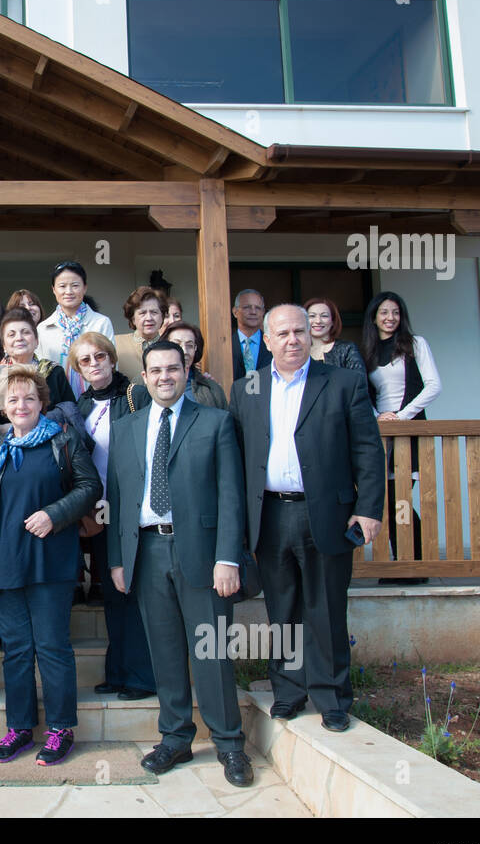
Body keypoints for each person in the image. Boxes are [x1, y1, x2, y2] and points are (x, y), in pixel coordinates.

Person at [230, 305, 385, 732]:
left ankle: (331, 697)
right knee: (282, 610)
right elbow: (238, 457)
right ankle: (289, 691)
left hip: (327, 514)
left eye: (300, 331)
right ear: (267, 338)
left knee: (326, 608)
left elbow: (368, 450)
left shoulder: (343, 383)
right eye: (283, 333)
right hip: (270, 515)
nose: (293, 339)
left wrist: (369, 508)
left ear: (311, 336)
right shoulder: (247, 388)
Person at [106, 341, 253, 785]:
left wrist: (228, 558)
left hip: (204, 556)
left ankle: (229, 744)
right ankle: (175, 739)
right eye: (155, 370)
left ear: (187, 371)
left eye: (173, 368)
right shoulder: (126, 428)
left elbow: (232, 496)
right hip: (146, 553)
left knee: (211, 653)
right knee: (164, 653)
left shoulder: (216, 423)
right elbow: (116, 498)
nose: (165, 376)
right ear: (144, 377)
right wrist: (117, 560)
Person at [0, 365, 101, 766]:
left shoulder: (63, 441)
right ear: (3, 407)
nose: (21, 404)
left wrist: (54, 515)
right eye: (12, 399)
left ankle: (61, 728)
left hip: (51, 563)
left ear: (42, 401)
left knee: (52, 648)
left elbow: (90, 487)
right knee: (16, 651)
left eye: (28, 397)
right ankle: (20, 728)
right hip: (5, 563)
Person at [68, 332, 155, 698]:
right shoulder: (81, 406)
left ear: (112, 358)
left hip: (132, 509)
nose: (94, 364)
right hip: (99, 512)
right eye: (84, 360)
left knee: (134, 594)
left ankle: (141, 677)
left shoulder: (135, 395)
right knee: (112, 594)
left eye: (99, 356)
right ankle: (117, 672)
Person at [361, 291, 440, 581]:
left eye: (395, 312)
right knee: (385, 499)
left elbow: (433, 386)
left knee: (401, 499)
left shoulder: (415, 344)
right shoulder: (368, 352)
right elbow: (365, 394)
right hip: (379, 433)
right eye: (384, 312)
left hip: (406, 429)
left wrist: (402, 417)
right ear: (374, 317)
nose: (390, 318)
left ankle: (414, 564)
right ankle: (400, 563)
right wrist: (376, 417)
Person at [37, 261, 115, 399]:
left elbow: (112, 366)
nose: (68, 291)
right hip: (57, 404)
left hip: (97, 399)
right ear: (54, 290)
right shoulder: (43, 329)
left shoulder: (101, 323)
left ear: (84, 288)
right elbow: (39, 372)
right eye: (62, 286)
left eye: (75, 286)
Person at [0, 308, 74, 409]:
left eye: (25, 332)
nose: (19, 338)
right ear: (4, 345)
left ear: (36, 341)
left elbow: (70, 412)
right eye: (12, 334)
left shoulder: (54, 372)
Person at [165, 321, 228, 410]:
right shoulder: (153, 386)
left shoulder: (212, 389)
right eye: (177, 344)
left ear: (196, 349)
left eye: (189, 345)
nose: (185, 351)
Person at [114, 286, 169, 386]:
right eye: (142, 313)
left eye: (154, 312)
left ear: (162, 317)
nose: (149, 318)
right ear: (133, 319)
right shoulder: (116, 344)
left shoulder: (171, 346)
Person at [304, 297, 365, 372]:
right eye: (312, 316)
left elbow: (359, 379)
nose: (318, 321)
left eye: (324, 316)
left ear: (333, 321)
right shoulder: (297, 350)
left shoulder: (347, 349)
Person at [231, 289, 271, 381]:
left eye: (258, 308)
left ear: (263, 312)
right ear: (235, 312)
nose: (253, 312)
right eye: (247, 307)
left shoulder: (273, 343)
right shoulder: (225, 346)